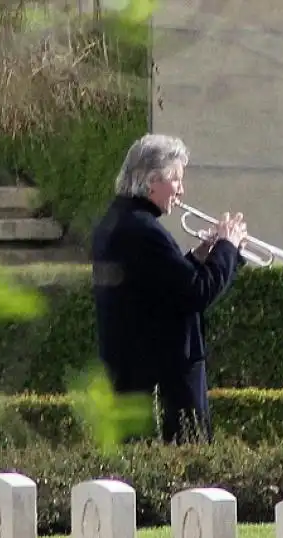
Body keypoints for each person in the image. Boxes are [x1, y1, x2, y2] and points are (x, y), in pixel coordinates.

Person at [90, 133, 248, 444]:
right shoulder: (144, 230)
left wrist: (201, 254)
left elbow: (159, 286)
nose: (181, 190)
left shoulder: (118, 221)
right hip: (164, 382)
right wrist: (228, 247)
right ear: (152, 180)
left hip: (132, 374)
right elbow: (197, 292)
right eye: (175, 179)